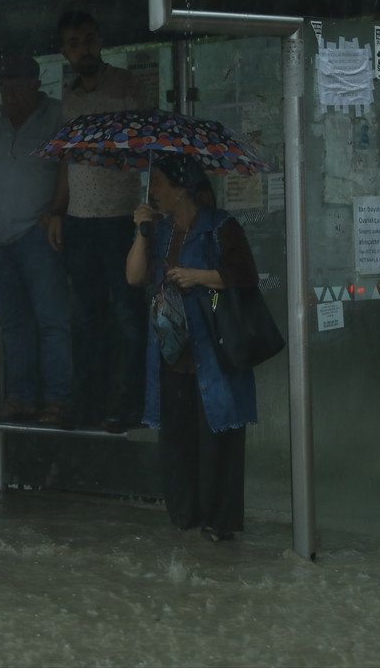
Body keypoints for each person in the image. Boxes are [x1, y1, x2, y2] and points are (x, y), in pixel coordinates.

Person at [125, 154, 258, 543]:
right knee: (179, 442)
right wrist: (142, 232)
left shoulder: (221, 227)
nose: (154, 191)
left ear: (182, 188)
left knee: (218, 440)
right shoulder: (161, 230)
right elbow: (135, 275)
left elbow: (245, 276)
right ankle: (185, 518)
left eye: (161, 183)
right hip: (172, 354)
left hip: (215, 353)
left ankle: (220, 523)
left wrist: (198, 276)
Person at [0, 53, 74, 427]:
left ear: (35, 83)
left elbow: (68, 169)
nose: (9, 93)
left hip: (38, 234)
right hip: (1, 238)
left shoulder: (57, 114)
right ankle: (21, 399)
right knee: (12, 323)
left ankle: (57, 401)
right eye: (4, 86)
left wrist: (56, 211)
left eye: (16, 86)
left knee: (51, 320)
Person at [47, 10, 147, 432]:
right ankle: (87, 403)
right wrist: (56, 210)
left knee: (127, 316)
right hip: (79, 221)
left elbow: (148, 148)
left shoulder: (126, 85)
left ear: (100, 40)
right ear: (64, 51)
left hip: (121, 218)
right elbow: (66, 160)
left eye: (88, 39)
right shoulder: (68, 97)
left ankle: (130, 405)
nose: (82, 48)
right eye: (73, 43)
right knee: (84, 318)